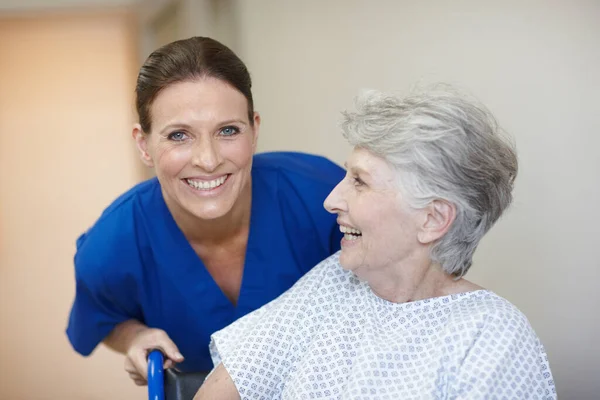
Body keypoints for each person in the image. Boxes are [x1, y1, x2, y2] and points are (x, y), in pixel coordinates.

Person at [195, 86, 557, 399]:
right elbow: (227, 386)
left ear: (432, 219)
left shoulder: (491, 337)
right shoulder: (333, 282)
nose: (332, 200)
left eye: (360, 182)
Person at [65, 36, 344, 386]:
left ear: (254, 130)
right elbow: (104, 318)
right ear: (144, 144)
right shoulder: (112, 245)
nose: (208, 160)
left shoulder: (325, 198)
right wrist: (135, 337)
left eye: (228, 130)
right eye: (179, 135)